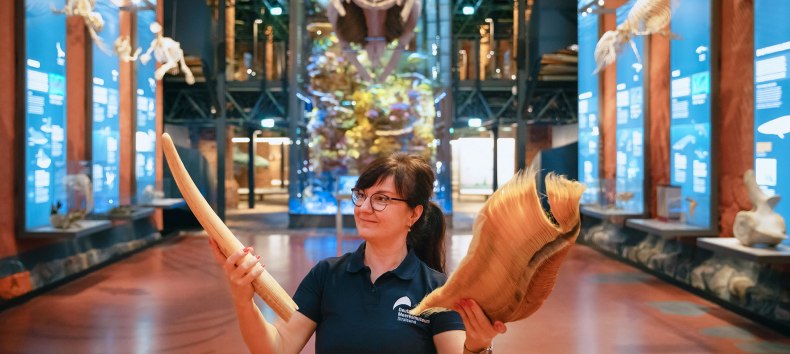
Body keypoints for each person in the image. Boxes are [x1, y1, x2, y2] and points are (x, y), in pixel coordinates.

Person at [209, 153, 507, 353]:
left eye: (381, 199)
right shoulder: (326, 276)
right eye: (361, 195)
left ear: (413, 214)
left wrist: (478, 347)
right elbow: (276, 347)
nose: (363, 208)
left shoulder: (438, 290)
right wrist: (242, 298)